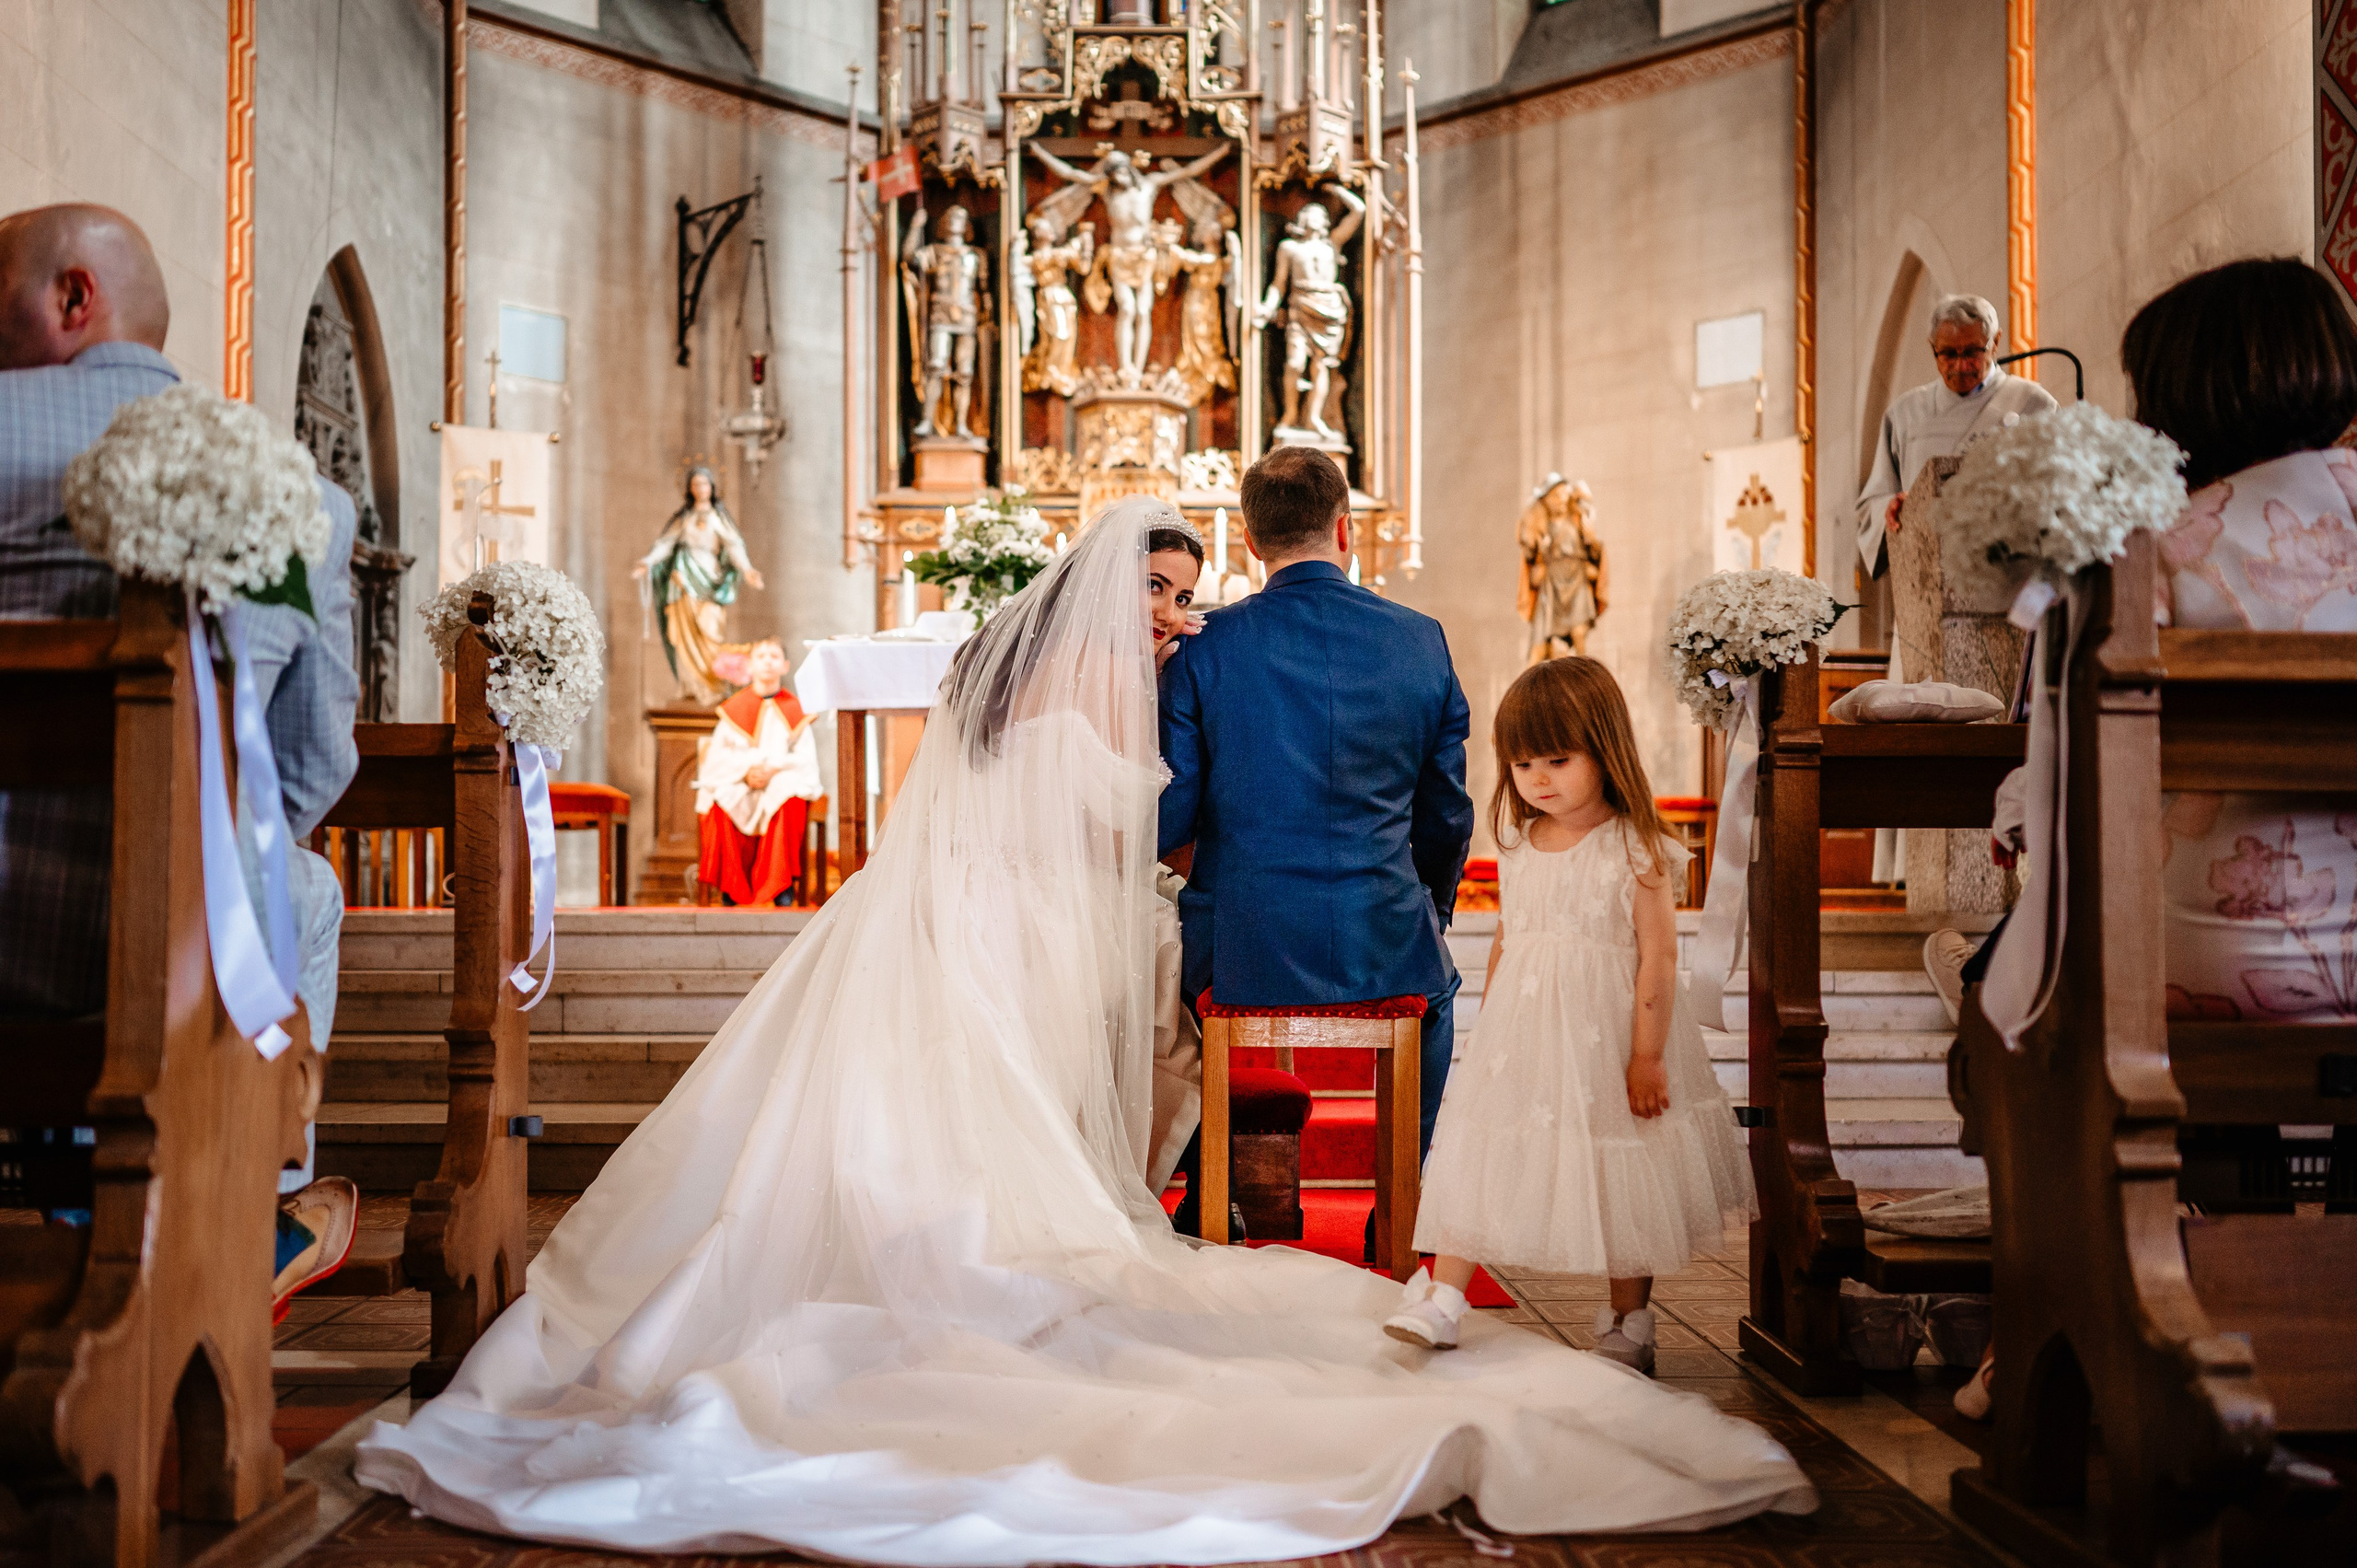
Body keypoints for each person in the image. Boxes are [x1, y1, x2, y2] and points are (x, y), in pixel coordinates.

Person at [354, 494, 1815, 1562]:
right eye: (1164, 592)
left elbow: (1139, 821)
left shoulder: (1125, 666)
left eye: (1189, 592)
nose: (1182, 614)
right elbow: (1157, 822)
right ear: (1117, 584)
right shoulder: (1130, 671)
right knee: (988, 1130)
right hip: (1043, 928)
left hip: (1047, 923)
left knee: (1011, 1115)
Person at [1928, 256, 2357, 1422]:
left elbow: (2071, 776)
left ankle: (2060, 1326)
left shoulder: (2150, 542)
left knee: (2003, 1017)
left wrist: (2020, 837)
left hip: (2217, 954)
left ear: (2180, 394)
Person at [0, 203, 361, 1310]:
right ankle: (249, 1206)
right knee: (303, 886)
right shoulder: (300, 498)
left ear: (73, 295)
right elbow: (310, 765)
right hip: (182, 965)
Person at [1388, 658, 1754, 1362]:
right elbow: (1510, 935)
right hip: (1524, 1035)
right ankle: (1445, 1297)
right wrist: (1494, 1021)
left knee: (1628, 1162)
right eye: (1523, 763)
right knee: (1482, 1151)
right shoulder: (1520, 843)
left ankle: (1628, 1321)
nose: (1539, 779)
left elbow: (1658, 958)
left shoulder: (1635, 846)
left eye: (1558, 759)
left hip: (1609, 1035)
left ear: (1604, 749)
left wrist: (1646, 1054)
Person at [1156, 446, 1470, 1259]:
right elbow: (1445, 815)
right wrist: (1430, 911)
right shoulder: (1421, 640)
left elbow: (1171, 814)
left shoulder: (1205, 646)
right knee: (1436, 994)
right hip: (1383, 932)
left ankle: (1211, 1194)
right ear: (1345, 528)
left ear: (1250, 542)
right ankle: (1401, 1207)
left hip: (1241, 945)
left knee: (1167, 989)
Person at [1856, 292, 2059, 580]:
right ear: (1932, 348)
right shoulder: (1904, 414)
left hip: (2008, 576)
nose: (1961, 366)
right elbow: (1872, 506)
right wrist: (1891, 508)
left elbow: (2057, 494)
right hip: (1928, 577)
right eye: (1949, 354)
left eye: (1973, 352)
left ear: (1995, 342)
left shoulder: (2033, 404)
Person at [693, 637, 822, 906]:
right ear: (750, 665)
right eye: (761, 656)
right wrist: (745, 772)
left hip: (778, 777)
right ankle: (732, 890)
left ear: (785, 666)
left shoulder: (796, 710)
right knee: (721, 797)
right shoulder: (733, 711)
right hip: (741, 779)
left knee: (788, 795)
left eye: (774, 656)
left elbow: (805, 759)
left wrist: (773, 769)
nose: (767, 662)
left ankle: (780, 887)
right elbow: (716, 759)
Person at [633, 465, 762, 706]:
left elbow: (734, 545)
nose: (700, 488)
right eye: (695, 484)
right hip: (683, 580)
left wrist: (747, 570)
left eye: (704, 484)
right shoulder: (684, 518)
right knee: (684, 635)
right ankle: (690, 685)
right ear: (689, 489)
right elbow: (666, 544)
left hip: (709, 578)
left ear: (712, 487)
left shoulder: (718, 517)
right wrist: (648, 562)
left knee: (710, 631)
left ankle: (712, 685)